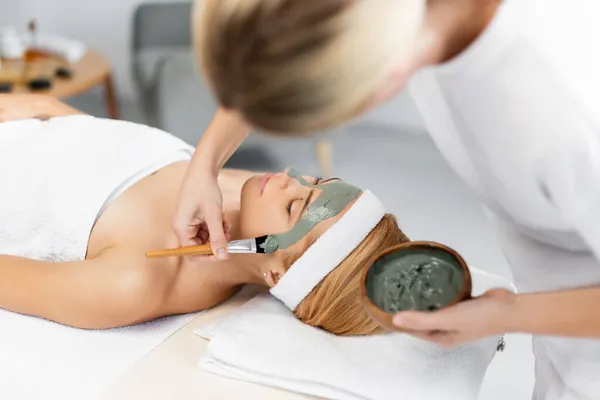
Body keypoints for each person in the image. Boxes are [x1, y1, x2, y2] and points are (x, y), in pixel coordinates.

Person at [174, 0, 600, 398]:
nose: (290, 177)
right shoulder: (401, 20)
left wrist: (508, 317)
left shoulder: (570, 109)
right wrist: (204, 163)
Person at [0, 94, 407, 335]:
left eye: (295, 205)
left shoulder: (134, 282)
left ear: (277, 275)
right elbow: (97, 145)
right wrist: (42, 104)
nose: (288, 178)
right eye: (315, 181)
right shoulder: (233, 189)